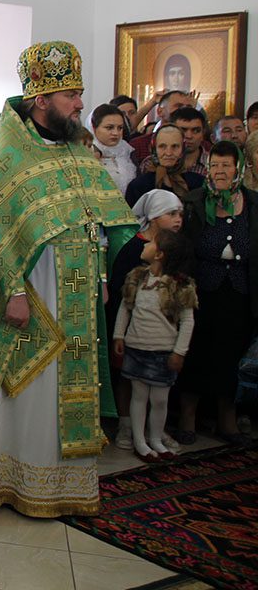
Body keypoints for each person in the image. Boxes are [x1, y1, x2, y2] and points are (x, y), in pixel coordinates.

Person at [0, 41, 136, 518]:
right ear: (42, 100)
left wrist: (101, 274)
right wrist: (13, 291)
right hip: (34, 290)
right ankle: (17, 481)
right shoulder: (12, 155)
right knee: (30, 385)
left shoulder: (77, 150)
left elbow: (96, 218)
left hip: (78, 287)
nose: (80, 103)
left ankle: (68, 485)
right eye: (71, 95)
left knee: (70, 383)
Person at [175, 140, 257, 446]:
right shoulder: (195, 201)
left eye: (226, 165)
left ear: (238, 169)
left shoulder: (253, 202)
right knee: (197, 352)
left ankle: (227, 418)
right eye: (215, 165)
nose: (220, 171)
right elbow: (184, 247)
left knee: (231, 354)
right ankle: (187, 416)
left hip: (239, 292)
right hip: (201, 292)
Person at [105, 189, 184, 453]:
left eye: (180, 213)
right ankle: (127, 426)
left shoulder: (177, 247)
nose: (178, 219)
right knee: (129, 380)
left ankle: (156, 431)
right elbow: (122, 297)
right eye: (171, 213)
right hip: (135, 332)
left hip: (163, 335)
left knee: (159, 387)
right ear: (153, 217)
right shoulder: (135, 250)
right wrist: (120, 333)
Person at [112, 229, 197, 462]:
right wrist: (119, 335)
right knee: (138, 396)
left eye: (150, 243)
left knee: (160, 399)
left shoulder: (179, 286)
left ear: (159, 254)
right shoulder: (137, 278)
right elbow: (125, 307)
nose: (144, 245)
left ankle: (156, 439)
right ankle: (140, 442)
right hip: (136, 348)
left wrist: (179, 352)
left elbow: (187, 321)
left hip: (163, 352)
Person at [125, 125, 205, 207]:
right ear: (153, 149)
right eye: (162, 146)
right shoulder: (138, 186)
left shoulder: (198, 183)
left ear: (182, 150)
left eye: (175, 146)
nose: (168, 153)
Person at [129, 90, 192, 166]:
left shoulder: (195, 143)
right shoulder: (139, 145)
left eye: (189, 107)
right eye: (178, 106)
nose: (184, 111)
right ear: (160, 111)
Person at [89, 104, 135, 195]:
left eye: (120, 128)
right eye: (109, 128)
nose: (116, 133)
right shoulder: (87, 151)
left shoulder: (127, 150)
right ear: (94, 128)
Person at [170, 106, 210, 176]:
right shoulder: (156, 162)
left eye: (196, 131)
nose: (189, 136)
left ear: (203, 133)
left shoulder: (213, 163)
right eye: (182, 130)